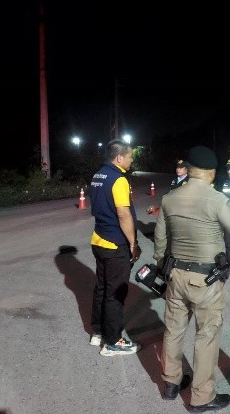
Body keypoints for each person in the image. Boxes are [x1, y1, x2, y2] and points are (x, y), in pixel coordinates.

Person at [153, 145, 230, 410]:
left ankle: (171, 383)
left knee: (173, 330)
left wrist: (163, 269)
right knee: (206, 337)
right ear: (210, 172)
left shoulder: (169, 198)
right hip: (205, 280)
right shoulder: (216, 199)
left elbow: (160, 240)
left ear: (189, 169)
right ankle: (202, 397)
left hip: (176, 275)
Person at [89, 139, 142, 356]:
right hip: (115, 244)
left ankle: (98, 332)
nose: (131, 160)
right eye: (129, 156)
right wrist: (133, 244)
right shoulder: (118, 179)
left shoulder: (98, 175)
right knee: (115, 293)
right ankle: (112, 342)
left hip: (99, 240)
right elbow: (123, 214)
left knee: (101, 289)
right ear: (119, 158)